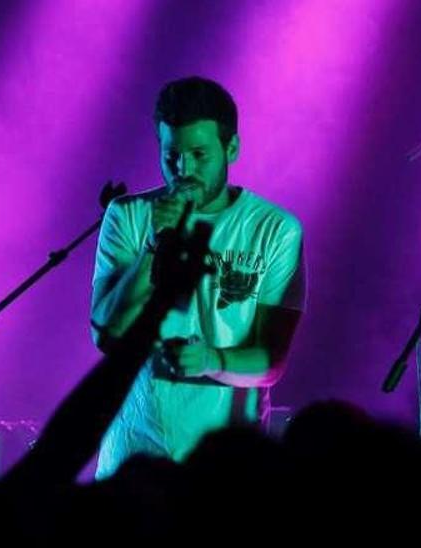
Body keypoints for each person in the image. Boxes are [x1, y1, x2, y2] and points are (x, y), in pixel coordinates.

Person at [90, 76, 305, 478]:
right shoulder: (128, 214)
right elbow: (107, 335)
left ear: (232, 148)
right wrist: (155, 246)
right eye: (171, 155)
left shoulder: (276, 229)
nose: (183, 169)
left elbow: (271, 361)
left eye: (199, 154)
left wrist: (210, 359)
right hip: (133, 458)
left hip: (225, 467)